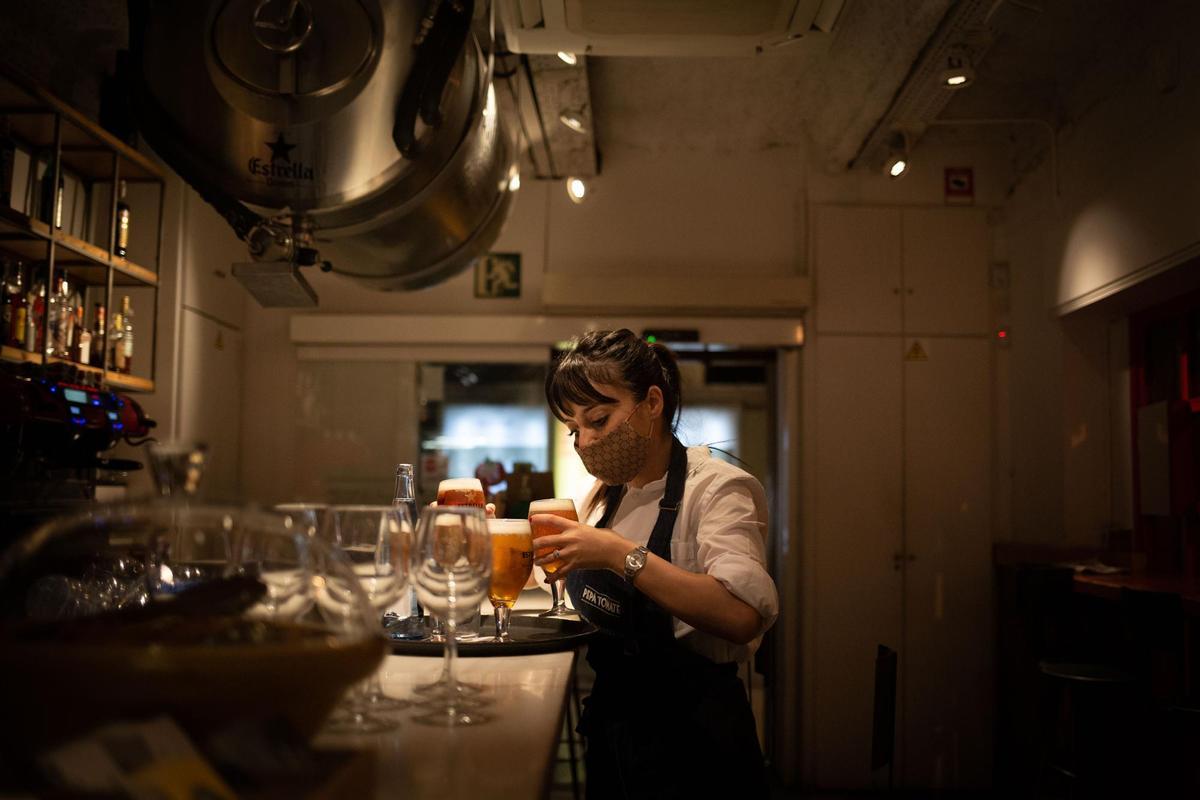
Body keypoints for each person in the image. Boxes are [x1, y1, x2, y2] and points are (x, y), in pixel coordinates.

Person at [531, 329, 778, 799]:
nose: (584, 443)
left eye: (599, 420)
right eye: (574, 429)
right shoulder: (605, 497)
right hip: (615, 727)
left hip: (695, 738)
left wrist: (616, 553)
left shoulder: (717, 489)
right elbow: (561, 586)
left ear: (652, 402)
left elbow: (741, 616)